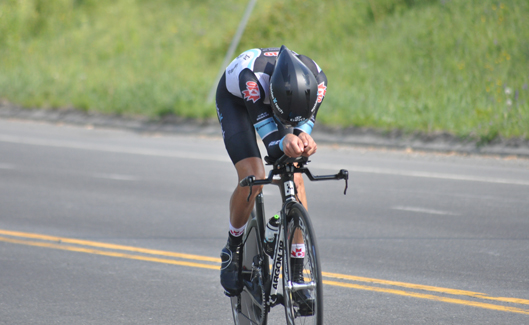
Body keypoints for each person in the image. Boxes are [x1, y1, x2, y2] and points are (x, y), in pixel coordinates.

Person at [215, 45, 327, 305]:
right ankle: (233, 248)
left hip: (285, 102)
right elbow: (272, 144)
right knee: (254, 175)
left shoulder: (319, 81)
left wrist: (304, 139)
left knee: (296, 173)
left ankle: (298, 273)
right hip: (238, 101)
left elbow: (302, 125)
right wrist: (285, 141)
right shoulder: (249, 78)